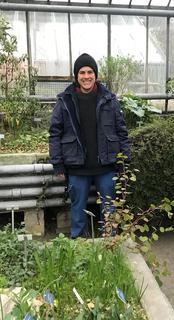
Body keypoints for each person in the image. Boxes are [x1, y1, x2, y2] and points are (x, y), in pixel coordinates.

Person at [49, 53, 131, 239]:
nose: (87, 76)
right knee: (77, 207)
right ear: (76, 76)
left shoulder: (109, 99)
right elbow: (55, 133)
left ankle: (109, 240)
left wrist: (124, 161)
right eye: (82, 72)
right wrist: (58, 163)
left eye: (90, 72)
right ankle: (79, 241)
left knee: (109, 206)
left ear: (96, 74)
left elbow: (121, 131)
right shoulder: (65, 101)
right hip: (77, 168)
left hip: (106, 167)